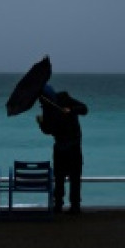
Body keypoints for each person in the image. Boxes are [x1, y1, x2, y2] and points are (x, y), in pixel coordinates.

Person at [36, 85, 89, 213]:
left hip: (74, 144)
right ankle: (58, 204)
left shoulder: (65, 98)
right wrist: (41, 123)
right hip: (59, 145)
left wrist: (70, 110)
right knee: (59, 177)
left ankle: (75, 205)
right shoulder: (46, 108)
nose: (42, 102)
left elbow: (84, 109)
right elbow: (48, 131)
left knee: (75, 177)